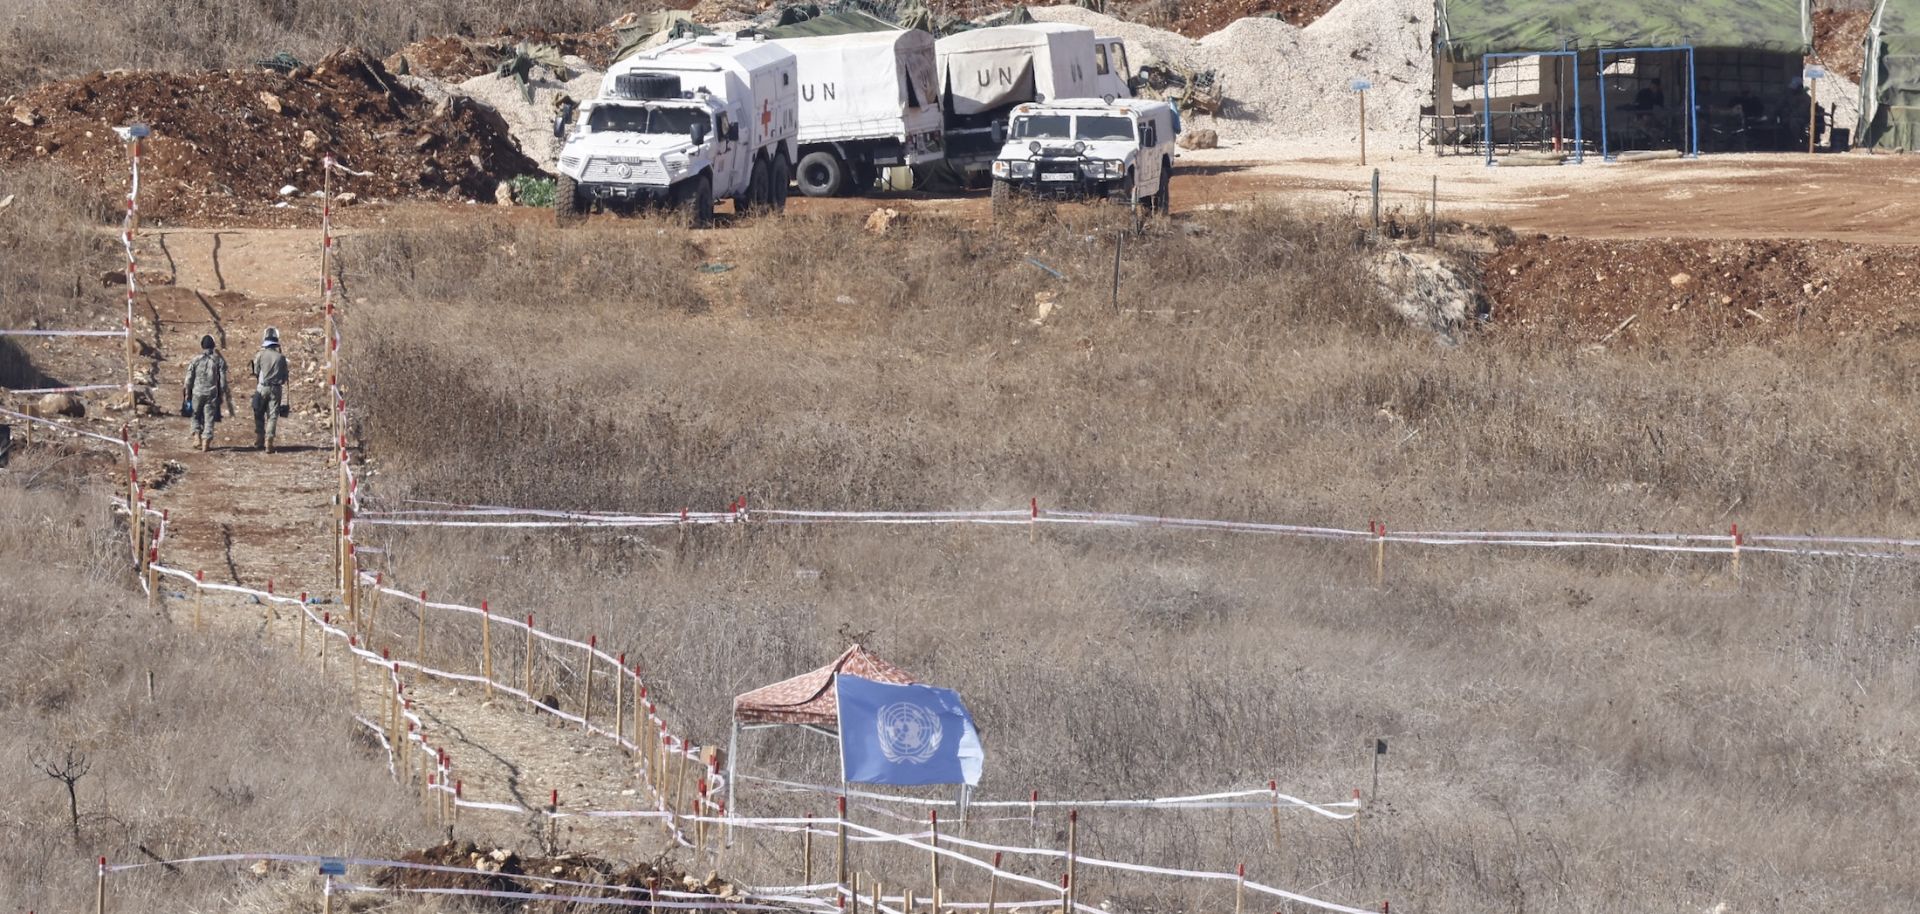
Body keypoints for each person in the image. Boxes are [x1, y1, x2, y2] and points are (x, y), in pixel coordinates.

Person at [182, 335, 233, 451]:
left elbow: (189, 379)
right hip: (211, 393)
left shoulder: (195, 360)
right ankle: (206, 441)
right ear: (213, 346)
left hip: (197, 392)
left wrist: (187, 392)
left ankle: (196, 436)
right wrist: (222, 392)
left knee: (195, 415)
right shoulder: (218, 361)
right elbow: (223, 381)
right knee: (209, 417)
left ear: (202, 346)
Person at [251, 326, 290, 452]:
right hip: (276, 389)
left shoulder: (260, 355)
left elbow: (256, 371)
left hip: (262, 387)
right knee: (272, 416)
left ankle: (259, 437)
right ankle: (269, 440)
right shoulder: (281, 357)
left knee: (258, 413)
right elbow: (285, 377)